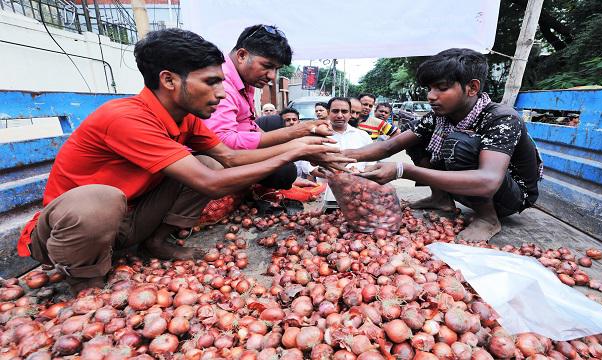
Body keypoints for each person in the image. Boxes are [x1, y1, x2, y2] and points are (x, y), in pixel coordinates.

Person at [16, 29, 352, 293]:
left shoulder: (186, 119)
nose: (221, 94)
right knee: (102, 198)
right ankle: (86, 279)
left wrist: (300, 145)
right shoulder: (125, 118)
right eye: (211, 82)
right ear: (169, 80)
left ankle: (157, 241)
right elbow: (210, 186)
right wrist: (294, 150)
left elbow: (230, 158)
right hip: (71, 231)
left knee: (210, 162)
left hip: (130, 221)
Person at [348, 48, 543, 242]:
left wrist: (402, 170)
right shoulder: (439, 118)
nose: (431, 96)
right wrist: (336, 155)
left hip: (509, 196)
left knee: (459, 142)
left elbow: (488, 181)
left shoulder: (501, 118)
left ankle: (488, 218)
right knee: (416, 137)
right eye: (429, 89)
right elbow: (389, 146)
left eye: (441, 88)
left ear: (472, 88)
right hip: (469, 187)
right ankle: (440, 199)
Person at [203, 24, 333, 189]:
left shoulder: (245, 81)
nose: (272, 76)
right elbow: (222, 143)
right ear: (242, 55)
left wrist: (297, 143)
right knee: (284, 172)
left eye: (276, 69)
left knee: (286, 171)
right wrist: (298, 137)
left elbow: (249, 126)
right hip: (207, 160)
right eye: (267, 66)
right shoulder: (222, 84)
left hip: (230, 157)